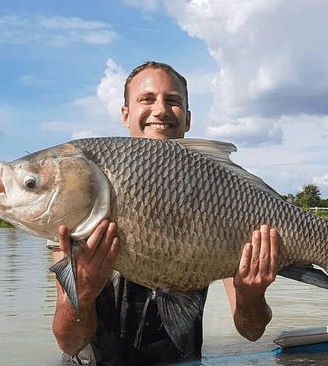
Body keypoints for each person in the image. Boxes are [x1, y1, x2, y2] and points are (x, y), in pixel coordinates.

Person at [50, 61, 280, 365]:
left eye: (172, 100)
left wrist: (251, 294)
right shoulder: (83, 202)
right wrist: (84, 292)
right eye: (147, 99)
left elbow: (252, 330)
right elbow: (69, 341)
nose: (160, 109)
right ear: (125, 114)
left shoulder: (219, 196)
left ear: (187, 118)